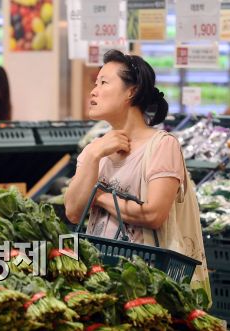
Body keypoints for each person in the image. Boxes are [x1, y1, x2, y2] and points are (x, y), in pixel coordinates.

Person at [64, 50, 209, 292]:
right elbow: (74, 212)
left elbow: (153, 214)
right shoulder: (95, 150)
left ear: (131, 91)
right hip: (99, 275)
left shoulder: (162, 145)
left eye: (104, 82)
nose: (93, 91)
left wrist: (98, 197)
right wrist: (92, 155)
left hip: (150, 282)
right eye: (95, 83)